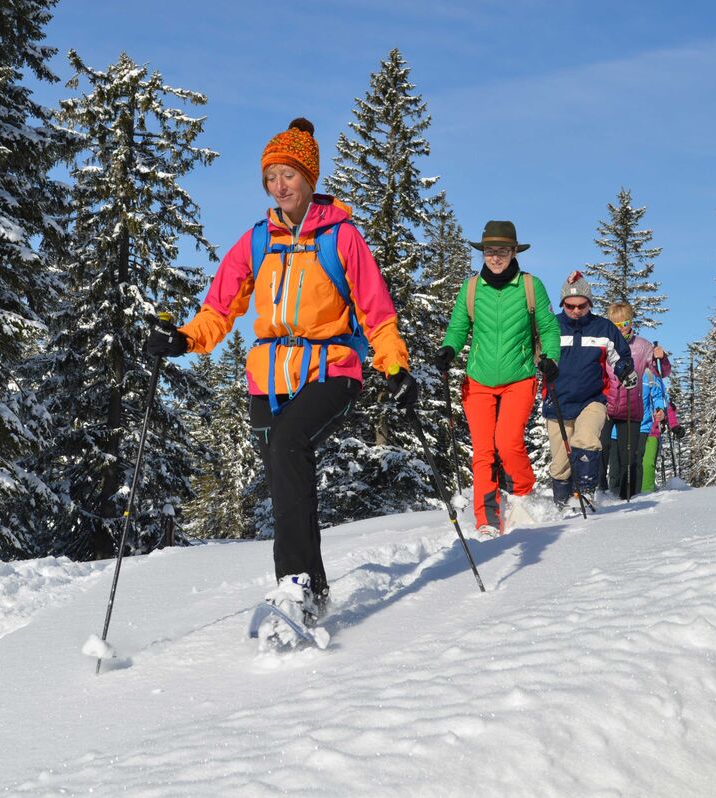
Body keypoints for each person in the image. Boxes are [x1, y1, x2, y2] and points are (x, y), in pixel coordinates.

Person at [144, 118, 414, 627]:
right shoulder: (256, 241)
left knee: (290, 445)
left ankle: (292, 583)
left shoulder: (342, 237)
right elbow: (218, 310)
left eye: (288, 173)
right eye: (271, 176)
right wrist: (182, 338)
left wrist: (394, 364)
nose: (279, 185)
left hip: (332, 368)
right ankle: (314, 593)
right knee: (287, 482)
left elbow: (377, 312)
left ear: (310, 178)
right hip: (268, 380)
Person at [434, 221, 561, 537]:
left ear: (514, 251)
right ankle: (487, 519)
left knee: (507, 441)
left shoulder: (531, 286)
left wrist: (551, 358)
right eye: (490, 251)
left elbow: (548, 329)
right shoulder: (472, 287)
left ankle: (523, 495)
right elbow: (458, 327)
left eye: (502, 250)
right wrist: (449, 349)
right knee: (483, 450)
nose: (495, 257)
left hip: (519, 378)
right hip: (478, 380)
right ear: (483, 253)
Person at [542, 271, 634, 508]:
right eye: (570, 306)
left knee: (586, 440)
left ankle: (584, 494)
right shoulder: (551, 327)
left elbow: (620, 355)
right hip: (558, 402)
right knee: (561, 464)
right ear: (563, 304)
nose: (575, 311)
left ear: (589, 304)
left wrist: (624, 370)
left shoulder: (603, 327)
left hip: (592, 399)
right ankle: (561, 506)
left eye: (581, 306)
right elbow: (533, 355)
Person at [601, 303, 671, 499]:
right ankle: (600, 493)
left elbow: (661, 372)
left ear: (630, 322)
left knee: (630, 459)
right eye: (614, 324)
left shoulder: (642, 346)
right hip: (605, 405)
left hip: (631, 407)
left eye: (624, 323)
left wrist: (661, 358)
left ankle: (627, 498)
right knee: (599, 450)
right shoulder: (602, 344)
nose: (620, 328)